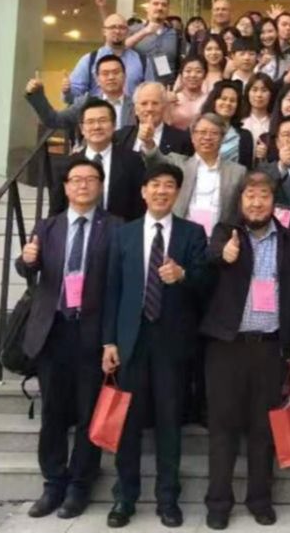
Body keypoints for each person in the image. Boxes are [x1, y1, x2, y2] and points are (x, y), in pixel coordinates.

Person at [101, 162, 210, 529]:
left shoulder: (193, 233)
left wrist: (183, 275)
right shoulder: (124, 235)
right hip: (131, 342)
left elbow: (206, 284)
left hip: (172, 344)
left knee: (169, 423)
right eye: (155, 185)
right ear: (143, 191)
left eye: (169, 186)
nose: (162, 191)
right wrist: (109, 341)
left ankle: (168, 499)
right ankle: (124, 497)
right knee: (128, 424)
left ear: (177, 193)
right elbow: (112, 290)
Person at [200, 172, 290, 530]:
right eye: (250, 195)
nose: (257, 202)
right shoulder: (225, 232)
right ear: (240, 200)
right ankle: (218, 502)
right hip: (226, 347)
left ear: (274, 201)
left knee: (264, 429)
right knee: (223, 428)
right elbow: (209, 257)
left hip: (270, 347)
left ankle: (260, 499)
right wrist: (224, 254)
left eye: (264, 195)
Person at [17, 158, 122, 520]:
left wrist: (110, 340)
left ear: (100, 185)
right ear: (65, 187)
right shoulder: (48, 227)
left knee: (89, 412)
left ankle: (80, 485)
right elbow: (27, 268)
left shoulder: (116, 227)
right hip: (54, 331)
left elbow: (117, 288)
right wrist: (26, 259)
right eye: (76, 179)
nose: (82, 185)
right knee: (53, 412)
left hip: (91, 333)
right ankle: (53, 483)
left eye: (90, 179)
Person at [43, 98, 147, 223]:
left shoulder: (133, 161)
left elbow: (140, 210)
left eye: (102, 121)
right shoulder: (67, 165)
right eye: (90, 122)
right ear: (82, 129)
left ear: (114, 125)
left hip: (120, 232)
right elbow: (55, 212)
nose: (97, 127)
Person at [142, 113, 246, 232]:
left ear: (222, 138)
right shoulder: (178, 163)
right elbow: (156, 162)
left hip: (219, 237)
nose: (207, 137)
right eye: (202, 132)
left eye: (214, 133)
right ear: (192, 137)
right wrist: (149, 142)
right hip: (181, 234)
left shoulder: (237, 172)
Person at [27, 55, 135, 137]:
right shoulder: (86, 103)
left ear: (124, 76)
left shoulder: (137, 104)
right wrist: (37, 95)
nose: (111, 77)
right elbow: (54, 120)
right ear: (97, 79)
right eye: (105, 73)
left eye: (116, 72)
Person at [67, 13, 145, 103]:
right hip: (99, 110)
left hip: (131, 111)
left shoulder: (142, 60)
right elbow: (73, 96)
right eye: (112, 27)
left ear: (127, 31)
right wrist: (67, 90)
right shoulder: (90, 59)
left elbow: (151, 92)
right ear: (104, 31)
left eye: (121, 28)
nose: (117, 31)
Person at [116, 82, 193, 158]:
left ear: (164, 107)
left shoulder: (182, 140)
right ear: (136, 109)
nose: (149, 109)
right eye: (144, 104)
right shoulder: (120, 137)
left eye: (155, 103)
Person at [125, 0, 181, 84]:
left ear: (168, 10)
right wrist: (144, 32)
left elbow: (183, 63)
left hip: (166, 88)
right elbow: (119, 49)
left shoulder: (176, 34)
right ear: (147, 8)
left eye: (164, 5)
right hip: (138, 87)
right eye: (155, 4)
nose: (160, 8)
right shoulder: (133, 30)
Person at [202, 81, 254, 169]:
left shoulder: (245, 136)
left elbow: (246, 170)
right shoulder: (198, 130)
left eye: (232, 101)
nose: (227, 103)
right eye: (223, 99)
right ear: (214, 101)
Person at [167, 57, 208, 132]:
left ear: (205, 75)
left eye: (198, 71)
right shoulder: (173, 98)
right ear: (181, 74)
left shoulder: (209, 99)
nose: (193, 75)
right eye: (188, 71)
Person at [242, 73, 275, 162]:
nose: (259, 95)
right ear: (248, 93)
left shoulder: (275, 123)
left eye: (264, 90)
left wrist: (268, 153)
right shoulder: (240, 121)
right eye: (254, 90)